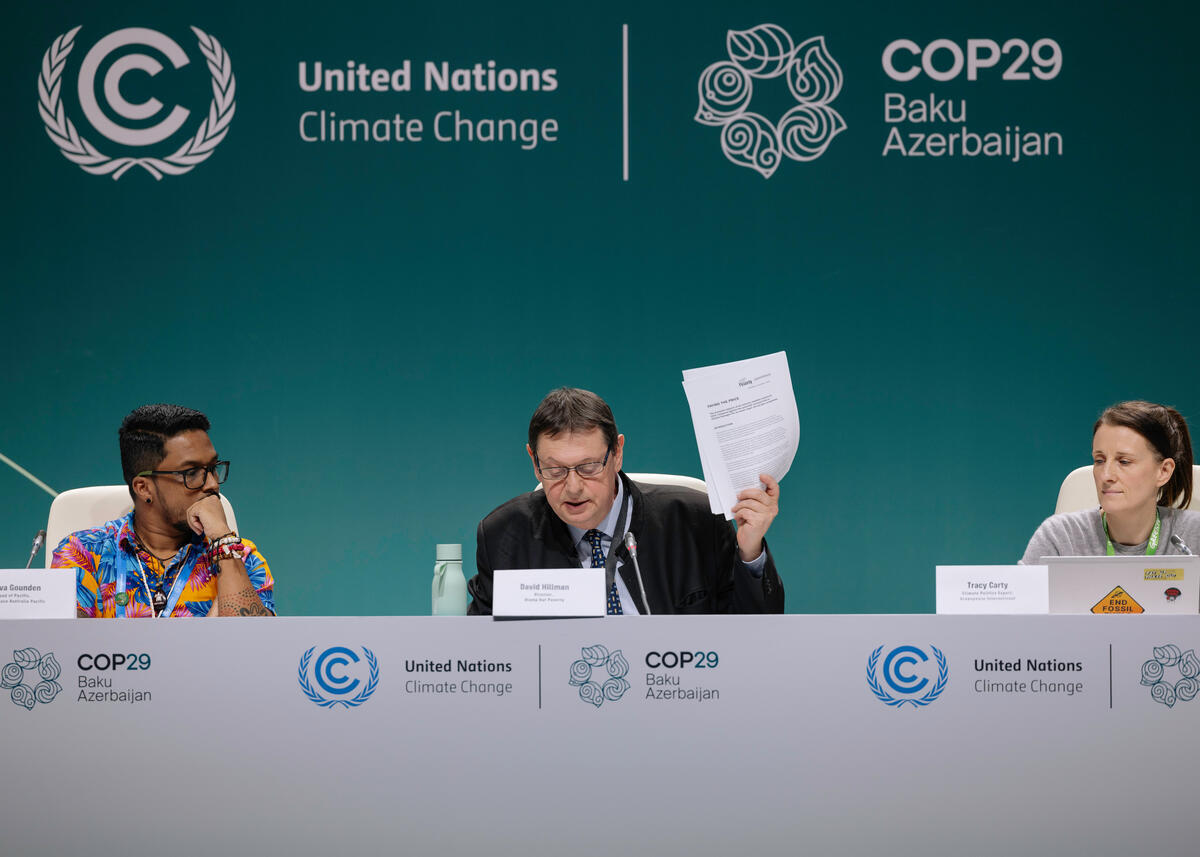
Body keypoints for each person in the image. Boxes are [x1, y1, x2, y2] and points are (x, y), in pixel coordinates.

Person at [468, 387, 784, 614]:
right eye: (554, 470)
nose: (573, 487)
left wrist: (750, 552)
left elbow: (755, 635)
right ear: (533, 461)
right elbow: (486, 656)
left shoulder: (696, 522)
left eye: (589, 466)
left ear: (617, 453)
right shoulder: (503, 536)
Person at [52, 404, 275, 617]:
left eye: (213, 468)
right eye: (192, 472)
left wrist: (223, 542)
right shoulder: (83, 554)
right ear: (144, 487)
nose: (212, 484)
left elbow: (254, 648)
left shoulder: (242, 557)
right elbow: (68, 648)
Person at [1021, 401, 1200, 562]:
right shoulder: (1059, 537)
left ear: (1164, 471)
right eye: (1099, 460)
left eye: (1124, 462)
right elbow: (1021, 598)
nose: (1106, 475)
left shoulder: (1194, 535)